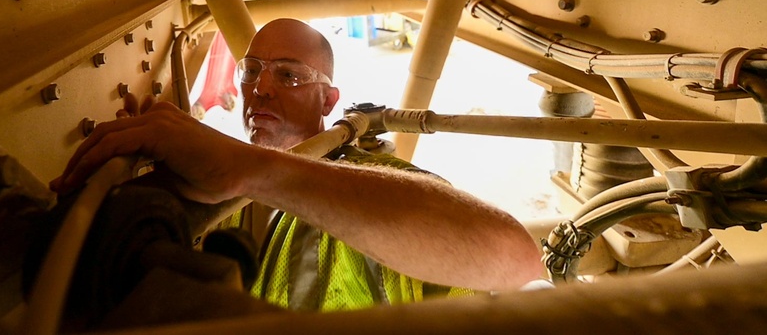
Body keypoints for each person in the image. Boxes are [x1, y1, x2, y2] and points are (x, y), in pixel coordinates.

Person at [51, 18, 542, 311]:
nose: (260, 88)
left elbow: (512, 258)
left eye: (288, 75)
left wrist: (249, 170)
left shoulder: (367, 187)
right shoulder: (213, 188)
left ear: (328, 101)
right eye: (251, 71)